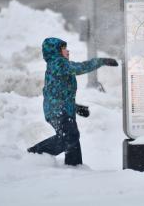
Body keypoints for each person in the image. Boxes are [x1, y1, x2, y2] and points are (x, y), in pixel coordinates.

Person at [27, 37, 118, 166]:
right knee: (69, 137)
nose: (67, 51)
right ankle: (34, 153)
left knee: (73, 140)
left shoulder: (57, 65)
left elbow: (58, 94)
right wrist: (101, 61)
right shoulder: (58, 63)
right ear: (56, 51)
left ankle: (74, 167)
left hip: (62, 109)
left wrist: (75, 108)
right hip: (57, 111)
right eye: (63, 48)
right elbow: (80, 67)